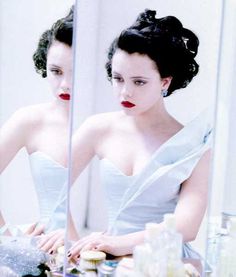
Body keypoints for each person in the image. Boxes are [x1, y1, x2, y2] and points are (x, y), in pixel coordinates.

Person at [67, 9, 212, 260]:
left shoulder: (192, 145)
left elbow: (187, 227)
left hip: (168, 262)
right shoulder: (98, 128)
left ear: (165, 82)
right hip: (108, 259)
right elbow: (55, 188)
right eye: (117, 78)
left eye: (139, 82)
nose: (125, 92)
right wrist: (72, 242)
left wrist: (118, 244)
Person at [0, 6, 78, 251]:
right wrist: (6, 233)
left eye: (74, 73)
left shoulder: (117, 121)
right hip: (48, 251)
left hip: (105, 251)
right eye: (56, 71)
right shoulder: (30, 120)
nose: (64, 84)